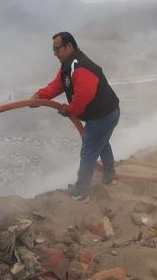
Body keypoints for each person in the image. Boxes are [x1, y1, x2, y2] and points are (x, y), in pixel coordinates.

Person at [30, 32, 120, 202]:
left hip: (104, 115)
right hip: (105, 114)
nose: (55, 53)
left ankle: (81, 193)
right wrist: (39, 96)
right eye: (53, 49)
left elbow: (83, 96)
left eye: (57, 49)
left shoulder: (79, 67)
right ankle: (110, 176)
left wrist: (69, 110)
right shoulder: (67, 66)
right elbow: (57, 85)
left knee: (88, 151)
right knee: (101, 142)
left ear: (69, 46)